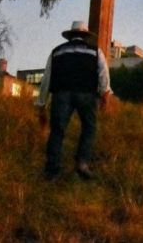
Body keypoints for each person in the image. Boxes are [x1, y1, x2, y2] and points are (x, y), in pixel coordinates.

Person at [35, 21, 112, 181]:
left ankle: (52, 171)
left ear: (71, 35)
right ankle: (82, 163)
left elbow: (46, 79)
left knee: (57, 131)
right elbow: (103, 74)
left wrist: (42, 104)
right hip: (86, 94)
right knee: (89, 128)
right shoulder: (95, 51)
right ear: (85, 35)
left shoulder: (56, 52)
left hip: (61, 94)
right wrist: (105, 94)